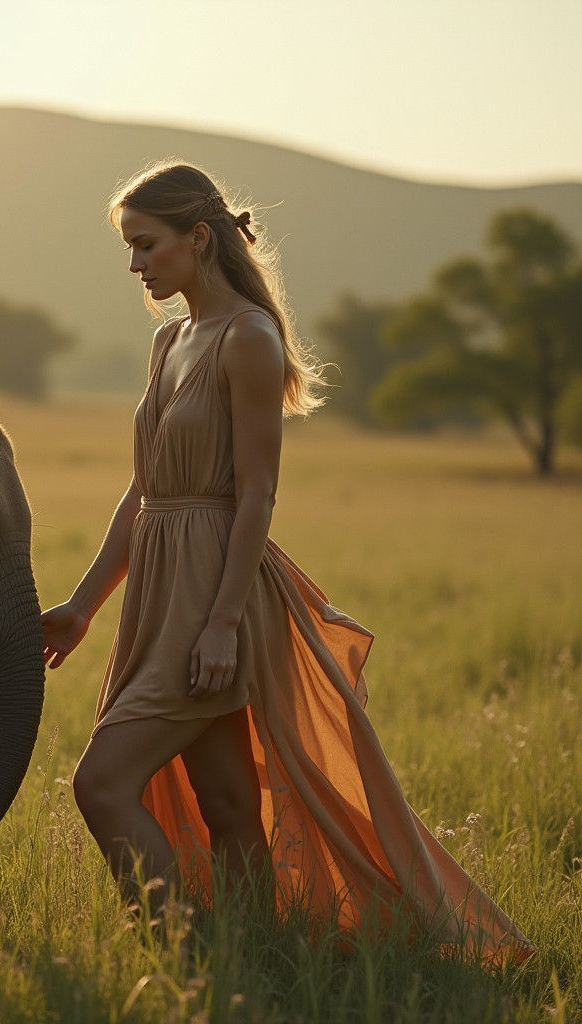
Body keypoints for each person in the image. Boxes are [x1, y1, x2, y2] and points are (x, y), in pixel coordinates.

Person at [40, 161, 533, 964]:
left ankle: (185, 961)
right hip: (160, 592)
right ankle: (251, 961)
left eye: (146, 244)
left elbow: (257, 495)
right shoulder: (169, 340)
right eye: (130, 247)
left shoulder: (250, 339)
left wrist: (221, 624)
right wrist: (83, 606)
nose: (135, 264)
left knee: (100, 784)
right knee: (230, 803)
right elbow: (145, 491)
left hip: (212, 594)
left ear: (199, 239)